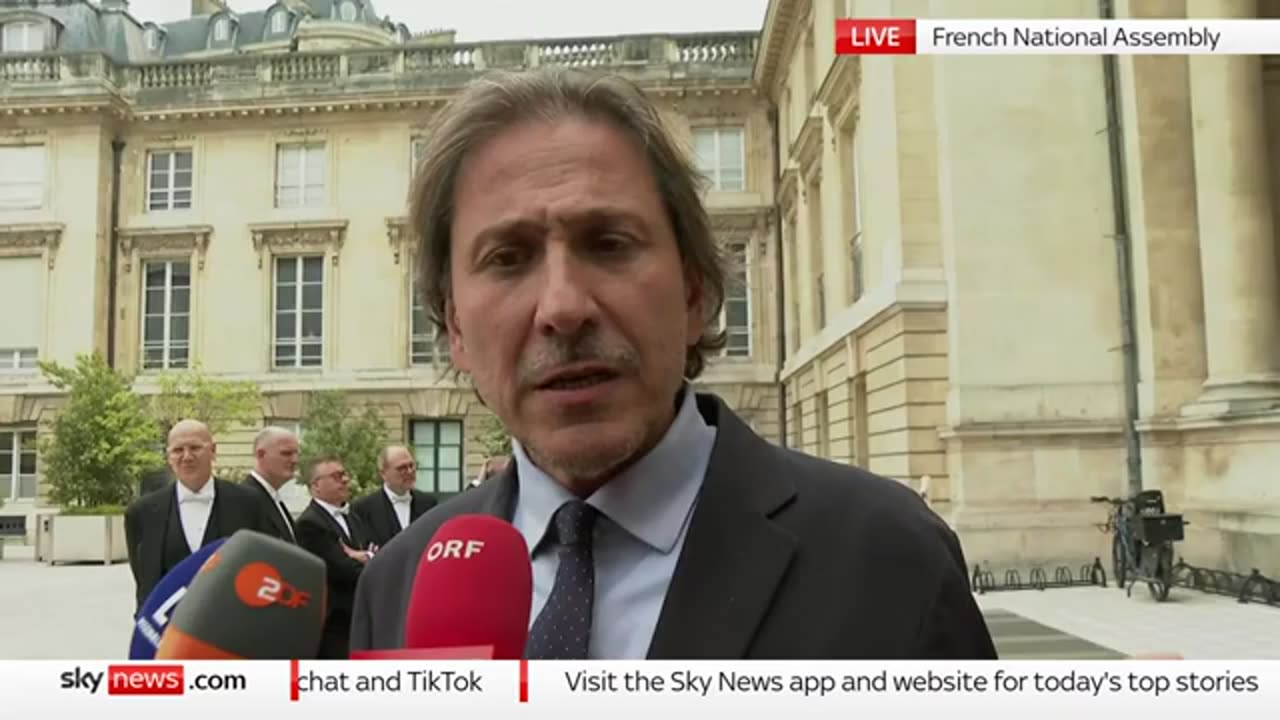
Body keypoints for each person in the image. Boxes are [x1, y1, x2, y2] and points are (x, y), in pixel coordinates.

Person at [350, 68, 997, 660]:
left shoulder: (887, 555)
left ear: (694, 292)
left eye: (609, 244)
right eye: (508, 259)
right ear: (455, 325)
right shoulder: (397, 583)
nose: (564, 308)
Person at [124, 419, 273, 611]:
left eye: (195, 448)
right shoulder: (141, 513)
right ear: (168, 457)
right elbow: (145, 582)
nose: (187, 457)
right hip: (170, 629)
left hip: (234, 625)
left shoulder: (249, 503)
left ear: (213, 451)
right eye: (178, 450)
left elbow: (262, 566)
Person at [295, 456, 374, 659]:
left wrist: (364, 556)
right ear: (316, 485)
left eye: (345, 474)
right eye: (336, 476)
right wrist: (368, 558)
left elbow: (371, 550)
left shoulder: (352, 516)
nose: (345, 480)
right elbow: (342, 569)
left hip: (359, 619)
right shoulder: (309, 524)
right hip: (334, 626)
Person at [350, 445, 438, 549]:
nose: (410, 472)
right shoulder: (362, 509)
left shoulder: (429, 504)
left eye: (411, 465)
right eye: (402, 468)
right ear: (383, 473)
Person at [240, 426, 301, 543]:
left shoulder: (274, 497)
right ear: (261, 454)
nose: (295, 460)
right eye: (286, 453)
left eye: (296, 453)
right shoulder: (245, 500)